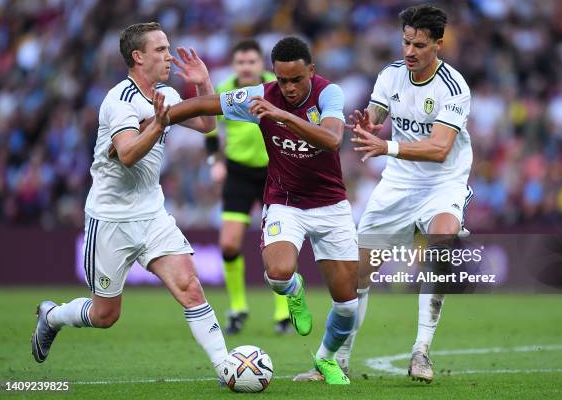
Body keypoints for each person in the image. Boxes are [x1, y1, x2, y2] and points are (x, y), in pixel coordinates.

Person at [152, 36, 359, 385]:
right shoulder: (258, 96)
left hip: (331, 205)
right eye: (282, 81)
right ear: (274, 75)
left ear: (311, 71)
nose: (289, 88)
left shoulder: (329, 94)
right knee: (278, 274)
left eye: (297, 79)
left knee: (347, 306)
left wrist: (280, 115)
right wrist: (162, 118)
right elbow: (208, 104)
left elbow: (332, 139)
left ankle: (325, 361)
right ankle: (293, 293)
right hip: (285, 202)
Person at [31, 22, 230, 381]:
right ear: (138, 56)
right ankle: (53, 316)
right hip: (110, 219)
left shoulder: (166, 95)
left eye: (168, 48)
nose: (169, 56)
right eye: (161, 50)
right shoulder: (119, 101)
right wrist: (157, 123)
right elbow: (127, 154)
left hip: (152, 213)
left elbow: (206, 125)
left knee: (190, 286)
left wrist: (201, 83)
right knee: (105, 316)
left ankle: (226, 367)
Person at [297, 4, 474, 383]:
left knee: (442, 240)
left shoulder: (454, 88)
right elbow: (377, 114)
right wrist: (368, 124)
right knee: (355, 277)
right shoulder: (391, 75)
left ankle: (421, 352)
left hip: (442, 184)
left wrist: (387, 148)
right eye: (406, 42)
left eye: (419, 45)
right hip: (397, 186)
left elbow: (441, 147)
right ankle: (336, 361)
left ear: (439, 44)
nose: (409, 51)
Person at [207, 40, 291, 335]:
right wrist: (213, 161)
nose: (246, 67)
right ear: (234, 66)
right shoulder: (224, 91)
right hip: (238, 173)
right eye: (240, 62)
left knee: (278, 246)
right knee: (229, 244)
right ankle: (238, 308)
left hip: (274, 172)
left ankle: (283, 313)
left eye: (251, 62)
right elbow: (209, 126)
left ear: (261, 65)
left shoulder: (276, 87)